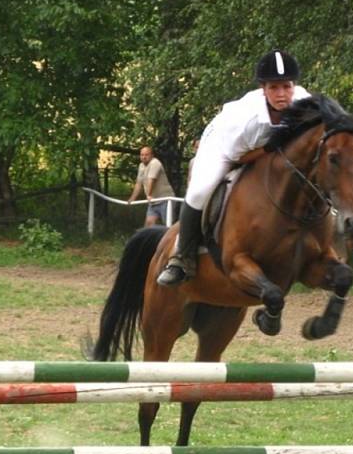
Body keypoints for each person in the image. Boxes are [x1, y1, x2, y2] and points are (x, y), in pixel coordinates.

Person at [158, 50, 311, 286]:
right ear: (263, 88)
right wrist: (270, 148)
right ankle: (181, 257)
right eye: (274, 88)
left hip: (268, 146)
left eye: (286, 86)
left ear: (294, 85)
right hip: (225, 147)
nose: (282, 94)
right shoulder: (246, 120)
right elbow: (238, 158)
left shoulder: (304, 102)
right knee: (200, 191)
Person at [128, 146, 176, 227]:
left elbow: (151, 180)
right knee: (148, 225)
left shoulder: (155, 163)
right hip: (153, 201)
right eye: (142, 155)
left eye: (146, 154)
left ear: (152, 155)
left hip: (165, 200)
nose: (144, 157)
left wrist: (149, 195)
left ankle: (177, 239)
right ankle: (150, 239)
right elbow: (138, 184)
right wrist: (132, 199)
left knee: (168, 226)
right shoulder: (141, 166)